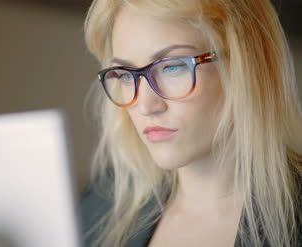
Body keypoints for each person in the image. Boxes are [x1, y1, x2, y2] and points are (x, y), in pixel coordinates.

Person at [79, 0, 302, 246]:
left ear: (245, 65)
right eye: (125, 74)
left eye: (172, 67)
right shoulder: (95, 211)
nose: (145, 106)